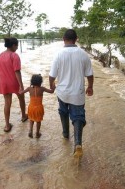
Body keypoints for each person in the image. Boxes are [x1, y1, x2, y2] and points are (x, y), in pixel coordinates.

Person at [49, 29, 94, 159]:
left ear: (63, 39)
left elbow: (52, 76)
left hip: (62, 92)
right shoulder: (83, 54)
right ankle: (78, 144)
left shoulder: (58, 55)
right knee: (78, 117)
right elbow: (89, 75)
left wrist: (51, 85)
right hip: (78, 93)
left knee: (63, 112)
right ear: (77, 39)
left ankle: (65, 134)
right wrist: (90, 87)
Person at [0, 37, 28, 133]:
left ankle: (7, 125)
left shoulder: (0, 55)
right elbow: (17, 71)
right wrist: (21, 85)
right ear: (13, 45)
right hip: (14, 82)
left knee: (7, 103)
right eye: (17, 46)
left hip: (4, 82)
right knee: (21, 98)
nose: (17, 48)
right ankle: (23, 116)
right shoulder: (14, 56)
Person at [20, 74, 55, 138]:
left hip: (31, 108)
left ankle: (30, 131)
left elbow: (21, 93)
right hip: (39, 108)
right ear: (40, 82)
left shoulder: (29, 88)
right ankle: (37, 133)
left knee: (31, 119)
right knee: (38, 121)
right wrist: (53, 85)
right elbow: (51, 91)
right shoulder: (42, 89)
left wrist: (19, 88)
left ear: (32, 81)